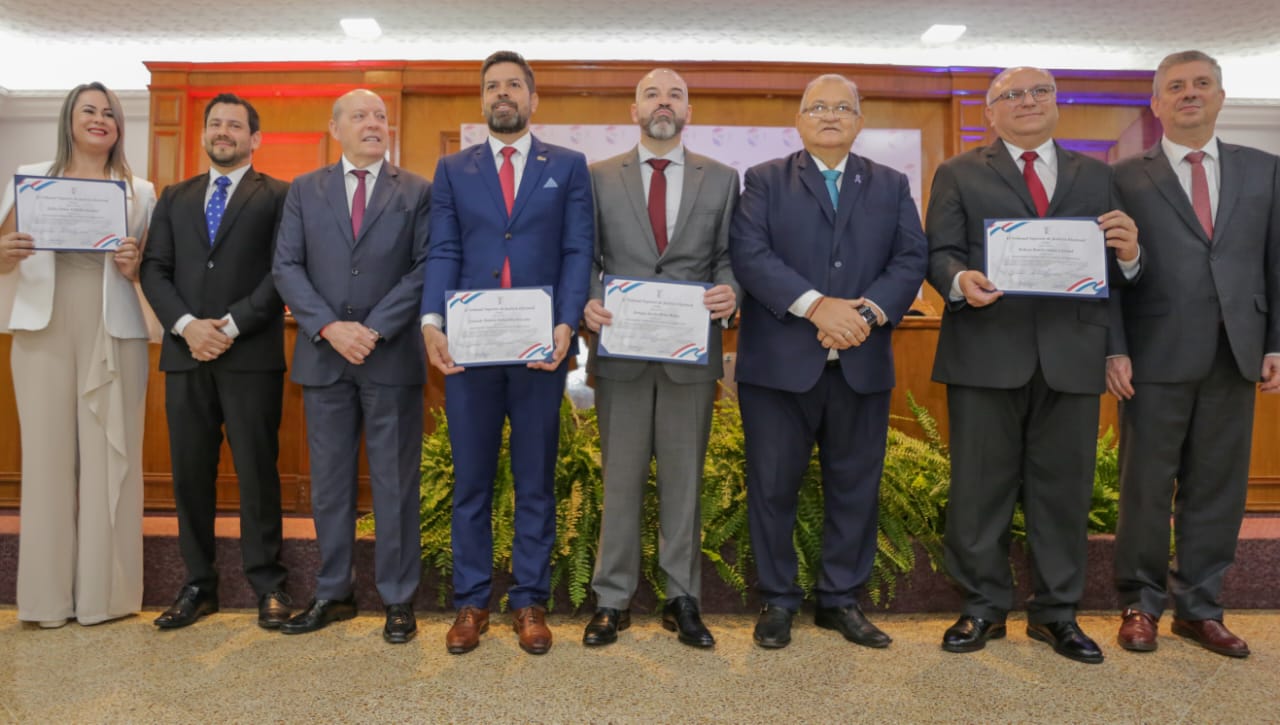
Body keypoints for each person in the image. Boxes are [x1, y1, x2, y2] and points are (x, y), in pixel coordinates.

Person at [925, 66, 1140, 664]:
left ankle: (1057, 614)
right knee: (979, 489)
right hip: (985, 352)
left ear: (1056, 104)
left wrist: (1132, 254)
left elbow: (1117, 276)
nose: (1025, 101)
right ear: (989, 112)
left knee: (1063, 493)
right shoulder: (959, 172)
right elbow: (937, 253)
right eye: (1009, 95)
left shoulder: (1098, 175)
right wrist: (960, 279)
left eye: (1038, 91)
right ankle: (981, 608)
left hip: (1073, 356)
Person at [730, 74, 927, 650]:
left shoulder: (891, 184)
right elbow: (750, 254)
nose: (831, 115)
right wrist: (817, 307)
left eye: (844, 107)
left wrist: (864, 314)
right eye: (818, 106)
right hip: (778, 366)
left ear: (860, 121)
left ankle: (840, 599)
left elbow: (911, 256)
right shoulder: (764, 180)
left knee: (855, 487)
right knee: (772, 485)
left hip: (861, 363)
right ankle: (778, 599)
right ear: (799, 119)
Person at [421, 50, 593, 656]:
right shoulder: (453, 169)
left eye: (513, 85)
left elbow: (578, 251)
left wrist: (569, 322)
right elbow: (443, 248)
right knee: (471, 480)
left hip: (539, 350)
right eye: (492, 86)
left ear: (532, 98)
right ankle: (471, 602)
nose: (503, 94)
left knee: (534, 480)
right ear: (482, 98)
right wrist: (431, 321)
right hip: (469, 350)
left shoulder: (568, 167)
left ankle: (529, 601)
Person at [1109, 50, 1279, 658]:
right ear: (1155, 103)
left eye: (1201, 84)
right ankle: (1140, 604)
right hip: (1153, 357)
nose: (1189, 94)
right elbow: (1109, 274)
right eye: (1174, 86)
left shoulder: (1265, 170)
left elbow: (1274, 263)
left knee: (1218, 488)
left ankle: (1200, 609)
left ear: (1221, 96)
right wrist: (1115, 349)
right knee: (1146, 487)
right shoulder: (1124, 176)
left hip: (1236, 352)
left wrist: (1276, 341)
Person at [580, 68, 739, 648]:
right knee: (619, 481)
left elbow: (727, 258)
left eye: (675, 94)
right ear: (634, 109)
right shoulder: (597, 178)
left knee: (684, 482)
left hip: (689, 356)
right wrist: (589, 301)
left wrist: (731, 293)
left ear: (688, 111)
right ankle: (612, 600)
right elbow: (587, 258)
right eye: (652, 93)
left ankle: (682, 598)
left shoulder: (721, 179)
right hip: (620, 352)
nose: (663, 103)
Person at [271, 89, 431, 644]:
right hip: (324, 357)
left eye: (380, 117)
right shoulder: (303, 191)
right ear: (335, 127)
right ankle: (333, 592)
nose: (373, 123)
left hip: (390, 357)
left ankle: (397, 598)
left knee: (394, 484)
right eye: (360, 116)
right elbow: (286, 266)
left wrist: (373, 329)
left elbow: (424, 267)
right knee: (331, 487)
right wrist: (330, 327)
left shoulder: (416, 191)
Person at [0, 82, 155, 627]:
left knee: (113, 462)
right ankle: (44, 601)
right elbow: (0, 260)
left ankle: (104, 598)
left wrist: (135, 266)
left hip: (114, 327)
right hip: (43, 326)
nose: (100, 119)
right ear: (69, 118)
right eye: (89, 110)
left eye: (110, 112)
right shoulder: (31, 176)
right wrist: (3, 253)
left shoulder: (141, 190)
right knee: (45, 462)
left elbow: (154, 274)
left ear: (119, 126)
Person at [140, 93, 292, 630]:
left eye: (235, 125)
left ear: (255, 138)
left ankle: (269, 585)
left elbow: (284, 271)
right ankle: (198, 585)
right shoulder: (175, 197)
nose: (222, 131)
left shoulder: (278, 195)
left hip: (249, 355)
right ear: (204, 134)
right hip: (185, 357)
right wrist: (187, 327)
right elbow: (154, 269)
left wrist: (228, 325)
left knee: (256, 473)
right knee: (190, 476)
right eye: (215, 124)